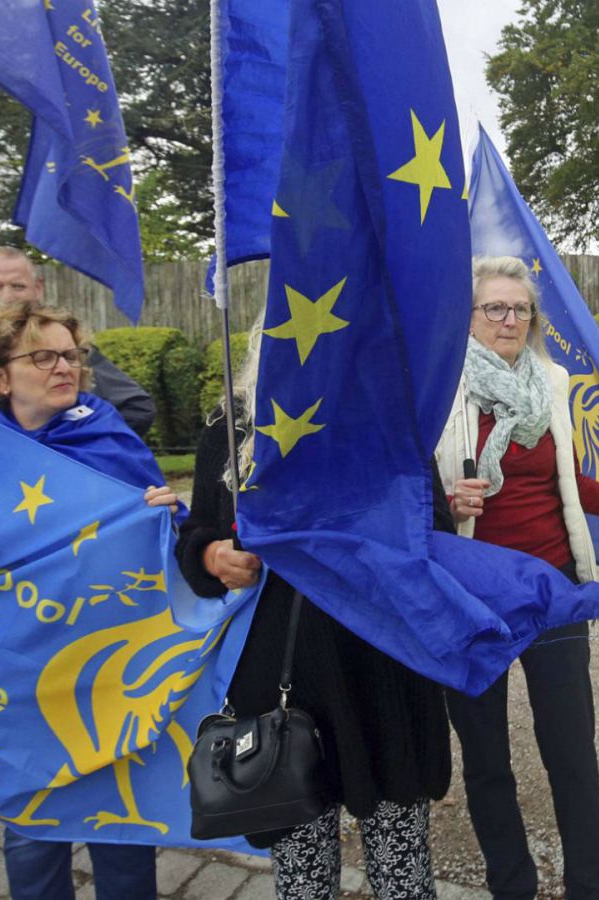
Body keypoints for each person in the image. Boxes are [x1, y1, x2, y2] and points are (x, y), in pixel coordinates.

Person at [433, 257, 599, 900]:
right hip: (470, 599)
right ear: (469, 318)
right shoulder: (439, 389)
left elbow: (568, 483)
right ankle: (510, 886)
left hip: (550, 589)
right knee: (487, 762)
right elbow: (406, 490)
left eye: (520, 309)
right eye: (494, 308)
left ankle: (593, 889)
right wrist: (446, 503)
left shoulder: (551, 382)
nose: (509, 320)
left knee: (573, 756)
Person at [175, 319, 453, 899]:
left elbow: (439, 537)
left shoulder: (391, 425)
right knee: (302, 873)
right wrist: (211, 554)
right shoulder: (234, 428)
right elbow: (197, 536)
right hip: (277, 675)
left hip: (382, 669)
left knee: (402, 868)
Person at [0, 300, 161, 900]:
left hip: (97, 662)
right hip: (12, 667)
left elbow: (153, 545)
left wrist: (166, 520)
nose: (62, 366)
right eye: (41, 356)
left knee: (118, 822)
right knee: (31, 828)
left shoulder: (106, 434)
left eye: (70, 355)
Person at [0, 247, 156, 439]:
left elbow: (137, 406)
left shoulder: (66, 347)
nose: (7, 297)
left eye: (18, 286)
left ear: (38, 288)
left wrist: (89, 447)